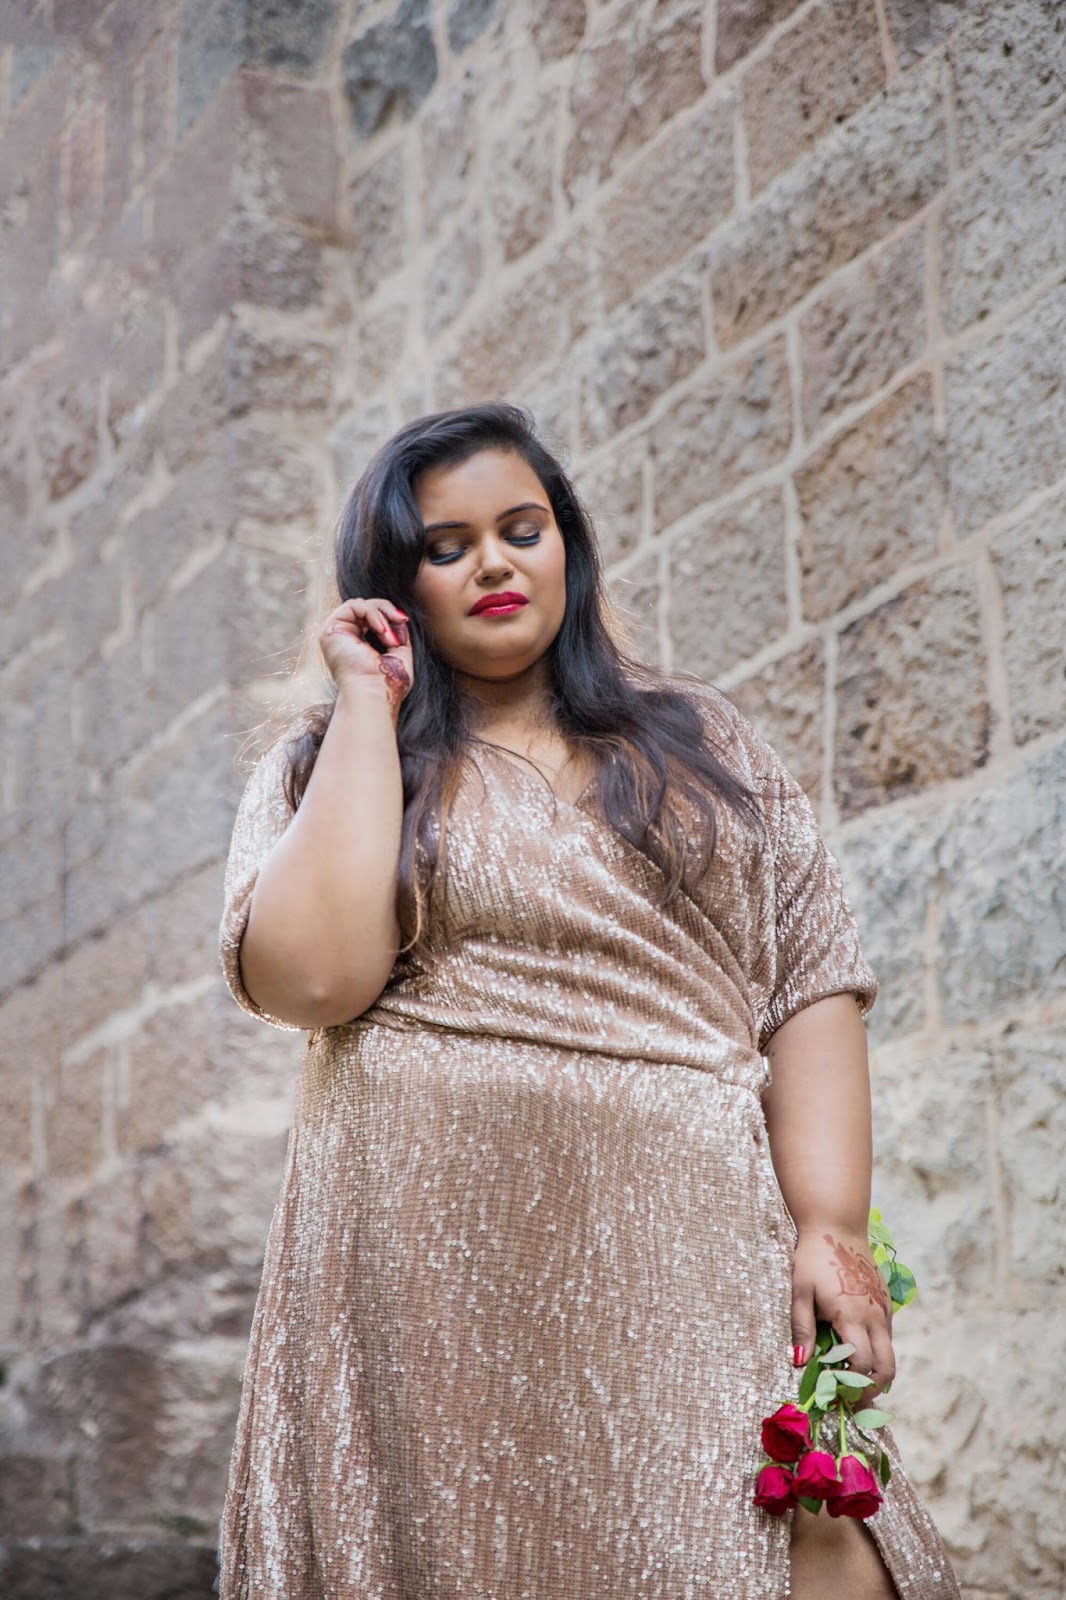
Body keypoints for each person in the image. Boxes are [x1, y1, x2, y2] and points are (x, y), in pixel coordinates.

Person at [217, 404, 960, 1599]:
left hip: (688, 1243)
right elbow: (312, 978)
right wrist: (365, 704)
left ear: (567, 543)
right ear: (394, 582)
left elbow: (808, 979)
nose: (494, 562)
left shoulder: (704, 746)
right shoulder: (328, 763)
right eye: (448, 546)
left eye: (522, 529)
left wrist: (829, 1223)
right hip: (430, 1281)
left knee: (812, 1548)